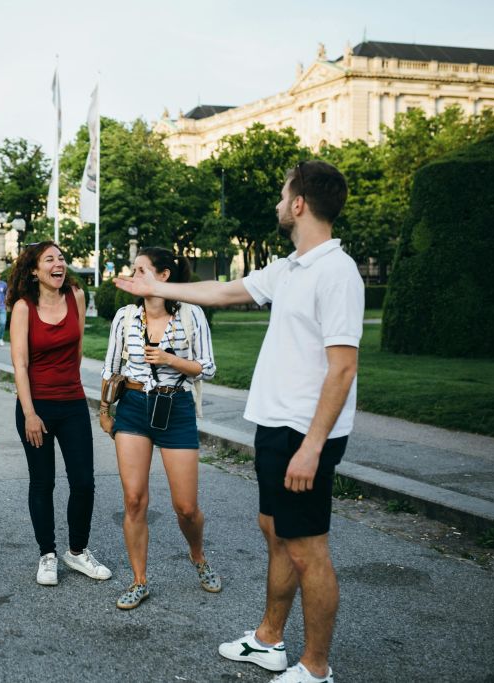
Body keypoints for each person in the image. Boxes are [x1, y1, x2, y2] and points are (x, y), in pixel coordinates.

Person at [116, 160, 361, 683]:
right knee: (275, 532)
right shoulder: (292, 266)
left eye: (281, 193)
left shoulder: (336, 272)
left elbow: (343, 367)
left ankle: (316, 668)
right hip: (276, 427)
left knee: (307, 547)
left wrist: (313, 446)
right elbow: (224, 292)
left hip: (304, 433)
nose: (277, 203)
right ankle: (269, 641)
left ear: (299, 204)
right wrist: (153, 291)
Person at [101, 248, 219, 610]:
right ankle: (139, 580)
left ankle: (197, 555)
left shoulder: (190, 315)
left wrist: (170, 360)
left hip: (176, 409)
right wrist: (105, 409)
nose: (134, 275)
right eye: (133, 268)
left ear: (164, 276)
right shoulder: (125, 317)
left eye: (141, 270)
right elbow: (110, 366)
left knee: (186, 507)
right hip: (134, 409)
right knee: (134, 500)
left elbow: (208, 368)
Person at [7, 242, 111, 587]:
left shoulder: (75, 296)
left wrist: (70, 384)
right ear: (34, 271)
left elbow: (77, 348)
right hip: (35, 407)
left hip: (72, 403)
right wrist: (30, 413)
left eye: (62, 258)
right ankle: (47, 554)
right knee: (43, 482)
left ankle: (77, 551)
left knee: (83, 482)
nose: (58, 264)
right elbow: (19, 363)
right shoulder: (24, 307)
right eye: (49, 259)